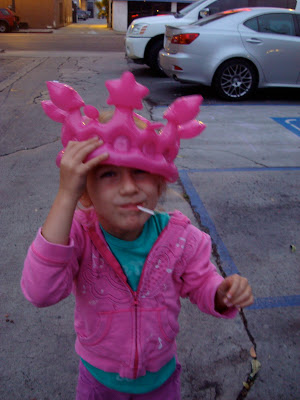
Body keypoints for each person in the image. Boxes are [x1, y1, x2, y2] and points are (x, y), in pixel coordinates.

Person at [21, 71, 254, 400]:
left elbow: (202, 282)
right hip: (97, 384)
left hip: (161, 382)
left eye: (141, 172)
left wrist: (221, 292)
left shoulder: (181, 239)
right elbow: (39, 292)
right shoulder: (77, 235)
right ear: (84, 190)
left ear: (160, 183)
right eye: (109, 174)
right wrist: (65, 196)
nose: (129, 188)